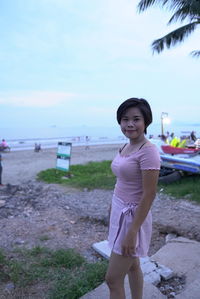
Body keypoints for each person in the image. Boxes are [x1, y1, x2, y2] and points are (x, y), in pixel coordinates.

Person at [105, 98, 160, 299]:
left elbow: (149, 193)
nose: (129, 124)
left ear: (146, 122)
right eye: (124, 119)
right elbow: (122, 180)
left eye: (136, 119)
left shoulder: (149, 152)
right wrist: (112, 209)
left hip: (132, 218)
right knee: (133, 266)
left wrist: (132, 232)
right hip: (119, 210)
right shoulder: (126, 146)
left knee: (112, 280)